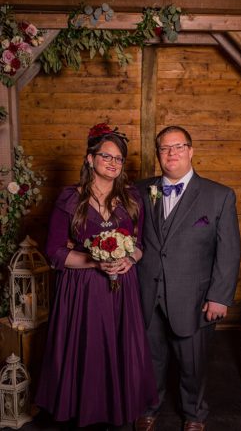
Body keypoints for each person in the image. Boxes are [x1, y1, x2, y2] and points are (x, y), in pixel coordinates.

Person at [36, 124, 158, 429]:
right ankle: (83, 410)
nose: (114, 163)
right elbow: (54, 251)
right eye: (107, 156)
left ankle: (117, 409)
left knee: (119, 350)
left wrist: (128, 259)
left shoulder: (132, 198)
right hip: (82, 289)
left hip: (122, 287)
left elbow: (140, 245)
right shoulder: (69, 198)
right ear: (90, 159)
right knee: (87, 350)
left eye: (119, 159)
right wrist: (94, 261)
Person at [133, 126, 241, 431]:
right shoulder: (139, 191)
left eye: (178, 147)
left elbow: (229, 251)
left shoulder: (219, 196)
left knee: (192, 365)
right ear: (158, 154)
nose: (172, 154)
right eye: (165, 148)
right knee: (150, 360)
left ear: (191, 151)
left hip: (193, 299)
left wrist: (219, 296)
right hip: (147, 294)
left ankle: (194, 414)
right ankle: (149, 407)